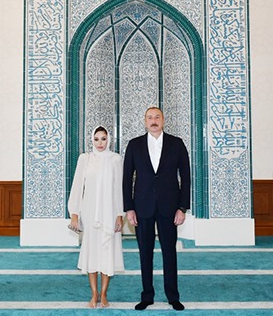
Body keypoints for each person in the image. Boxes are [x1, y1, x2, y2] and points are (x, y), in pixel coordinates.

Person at [123, 107, 191, 311]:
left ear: (163, 120)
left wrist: (182, 207)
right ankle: (147, 296)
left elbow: (186, 177)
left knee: (169, 252)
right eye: (150, 117)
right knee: (145, 253)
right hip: (142, 207)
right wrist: (129, 208)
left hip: (169, 207)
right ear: (145, 122)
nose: (154, 121)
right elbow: (127, 179)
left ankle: (173, 296)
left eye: (157, 117)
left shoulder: (176, 143)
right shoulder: (134, 145)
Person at [68, 126, 125, 308]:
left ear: (109, 140)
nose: (100, 143)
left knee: (107, 251)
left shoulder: (115, 159)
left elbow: (119, 190)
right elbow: (77, 187)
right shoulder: (85, 159)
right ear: (92, 140)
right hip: (89, 212)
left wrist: (119, 215)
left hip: (109, 212)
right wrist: (74, 214)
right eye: (96, 139)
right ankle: (94, 294)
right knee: (92, 252)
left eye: (103, 139)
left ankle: (104, 294)